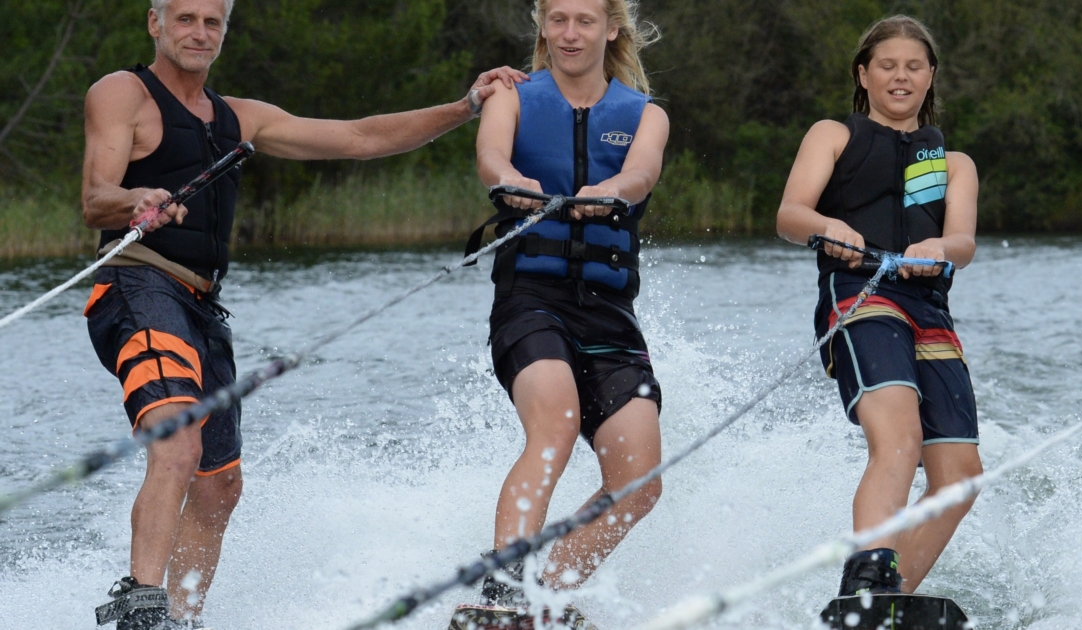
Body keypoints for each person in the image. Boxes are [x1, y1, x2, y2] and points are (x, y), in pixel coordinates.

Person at [80, 0, 519, 627]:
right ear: (156, 23)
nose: (199, 32)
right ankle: (142, 610)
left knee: (218, 484)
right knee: (175, 441)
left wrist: (465, 107)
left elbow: (360, 137)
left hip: (201, 310)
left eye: (213, 22)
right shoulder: (123, 93)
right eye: (185, 19)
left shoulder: (242, 118)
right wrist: (136, 198)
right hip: (138, 286)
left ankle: (182, 617)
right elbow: (96, 197)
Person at [462, 0, 667, 624]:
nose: (570, 34)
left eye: (584, 21)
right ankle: (505, 584)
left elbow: (640, 175)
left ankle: (547, 588)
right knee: (554, 424)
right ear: (542, 26)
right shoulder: (514, 97)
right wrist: (511, 182)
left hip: (607, 315)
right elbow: (492, 158)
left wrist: (609, 193)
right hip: (530, 302)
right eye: (558, 21)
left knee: (640, 478)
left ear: (612, 29)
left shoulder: (645, 114)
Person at [774, 15, 982, 597]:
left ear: (931, 76)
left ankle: (884, 601)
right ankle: (868, 570)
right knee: (898, 440)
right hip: (862, 298)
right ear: (863, 75)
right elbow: (790, 216)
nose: (900, 76)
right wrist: (827, 225)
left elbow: (962, 243)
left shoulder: (955, 164)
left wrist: (940, 245)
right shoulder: (832, 135)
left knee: (961, 481)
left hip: (929, 312)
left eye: (914, 66)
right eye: (887, 65)